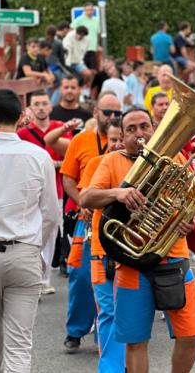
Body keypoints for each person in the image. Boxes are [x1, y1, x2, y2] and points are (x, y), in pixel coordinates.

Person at [80, 107, 195, 373]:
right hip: (132, 263)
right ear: (122, 136)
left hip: (174, 257)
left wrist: (189, 219)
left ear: (154, 128)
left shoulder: (175, 157)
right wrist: (118, 194)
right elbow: (86, 198)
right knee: (135, 341)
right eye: (131, 130)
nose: (139, 134)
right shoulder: (112, 161)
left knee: (190, 335)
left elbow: (192, 199)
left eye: (144, 126)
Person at [0, 89, 62, 372]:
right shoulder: (39, 156)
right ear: (22, 116)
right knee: (19, 343)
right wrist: (37, 248)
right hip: (24, 252)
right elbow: (51, 213)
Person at [59, 91, 122, 352]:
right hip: (87, 218)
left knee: (114, 281)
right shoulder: (81, 139)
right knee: (81, 276)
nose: (111, 117)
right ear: (96, 112)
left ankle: (106, 333)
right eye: (107, 112)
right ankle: (76, 330)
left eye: (116, 113)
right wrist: (83, 203)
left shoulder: (126, 140)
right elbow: (68, 179)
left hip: (117, 222)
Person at [76, 118, 125, 372]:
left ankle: (127, 362)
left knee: (127, 311)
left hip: (133, 251)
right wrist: (116, 193)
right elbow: (86, 199)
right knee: (108, 311)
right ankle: (111, 368)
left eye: (120, 139)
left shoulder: (140, 163)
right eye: (112, 139)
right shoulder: (97, 163)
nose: (116, 144)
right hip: (101, 249)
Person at [17, 91, 72, 295]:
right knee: (31, 230)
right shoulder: (22, 133)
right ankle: (35, 274)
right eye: (37, 104)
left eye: (44, 103)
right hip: (29, 189)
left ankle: (45, 277)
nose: (41, 107)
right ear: (31, 108)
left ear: (50, 106)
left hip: (56, 187)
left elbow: (72, 157)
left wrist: (55, 164)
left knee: (50, 233)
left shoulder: (60, 128)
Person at [71, 2, 100, 71]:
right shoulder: (79, 19)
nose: (89, 12)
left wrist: (98, 45)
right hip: (82, 49)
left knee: (93, 70)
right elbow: (71, 29)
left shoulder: (96, 20)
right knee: (84, 70)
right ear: (84, 10)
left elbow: (97, 33)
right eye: (87, 10)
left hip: (92, 48)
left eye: (91, 10)